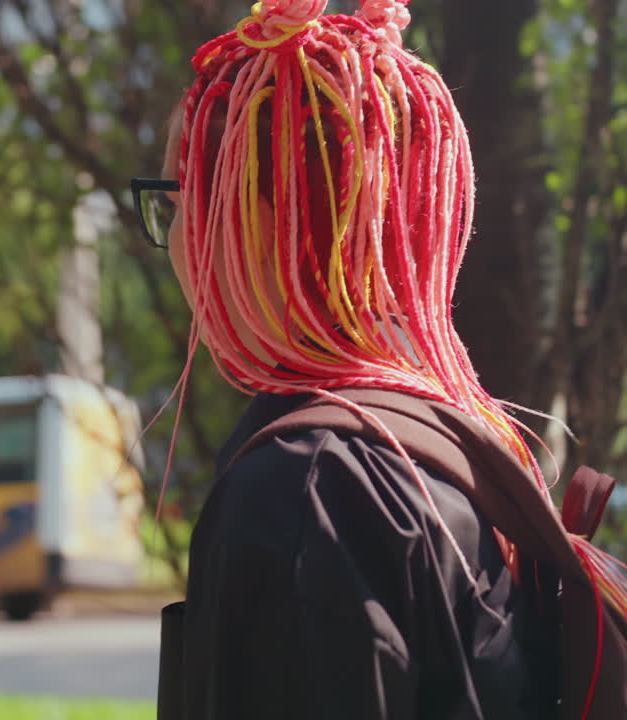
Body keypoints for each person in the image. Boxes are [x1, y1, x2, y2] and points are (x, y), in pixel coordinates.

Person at [139, 1, 610, 717]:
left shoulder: (309, 485)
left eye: (176, 201)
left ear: (260, 217)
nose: (171, 239)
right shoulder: (451, 435)